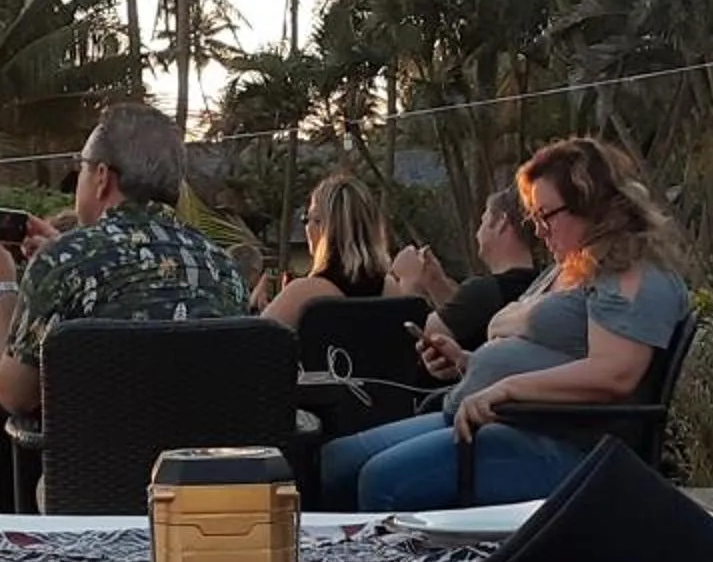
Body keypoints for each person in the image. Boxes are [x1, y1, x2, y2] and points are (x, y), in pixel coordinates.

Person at [316, 137, 690, 511]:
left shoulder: (632, 273)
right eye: (535, 218)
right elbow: (554, 354)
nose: (540, 231)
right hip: (489, 420)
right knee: (335, 461)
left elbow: (614, 375)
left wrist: (506, 388)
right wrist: (465, 362)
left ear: (591, 204)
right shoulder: (571, 268)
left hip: (561, 444)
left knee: (381, 480)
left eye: (547, 215)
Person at [0, 102, 245, 417]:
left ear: (101, 177)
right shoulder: (222, 267)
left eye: (81, 165)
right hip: (206, 463)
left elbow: (16, 395)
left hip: (102, 465)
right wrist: (65, 254)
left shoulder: (65, 263)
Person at [390, 187, 538, 351]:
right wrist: (435, 282)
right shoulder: (542, 284)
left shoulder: (484, 292)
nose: (477, 233)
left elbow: (422, 339)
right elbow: (460, 318)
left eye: (483, 220)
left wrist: (408, 280)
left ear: (501, 223)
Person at [255, 171, 394, 327]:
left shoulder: (304, 293)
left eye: (306, 219)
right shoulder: (392, 290)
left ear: (323, 226)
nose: (306, 228)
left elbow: (252, 343)